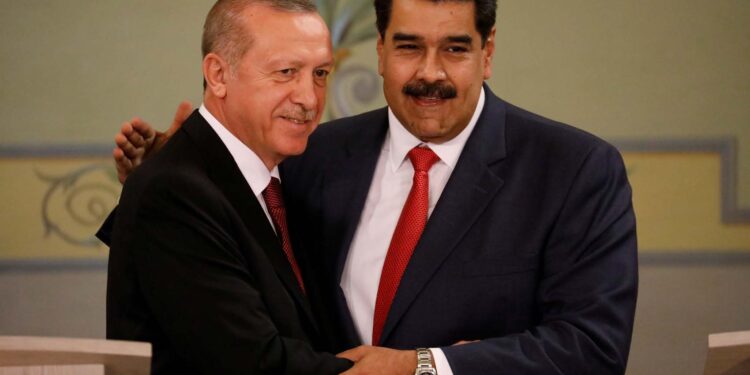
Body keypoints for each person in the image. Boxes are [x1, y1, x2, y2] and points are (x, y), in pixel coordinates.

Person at [106, 0, 638, 373]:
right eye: (409, 47)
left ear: (488, 51)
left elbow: (592, 348)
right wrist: (169, 174)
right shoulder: (309, 156)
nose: (430, 73)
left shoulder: (575, 170)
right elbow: (226, 276)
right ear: (380, 49)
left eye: (455, 48)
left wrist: (424, 367)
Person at [105, 0, 354, 373]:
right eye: (286, 72)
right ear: (218, 75)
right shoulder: (175, 191)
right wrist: (407, 369)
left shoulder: (290, 175)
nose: (309, 98)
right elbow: (255, 362)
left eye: (320, 73)